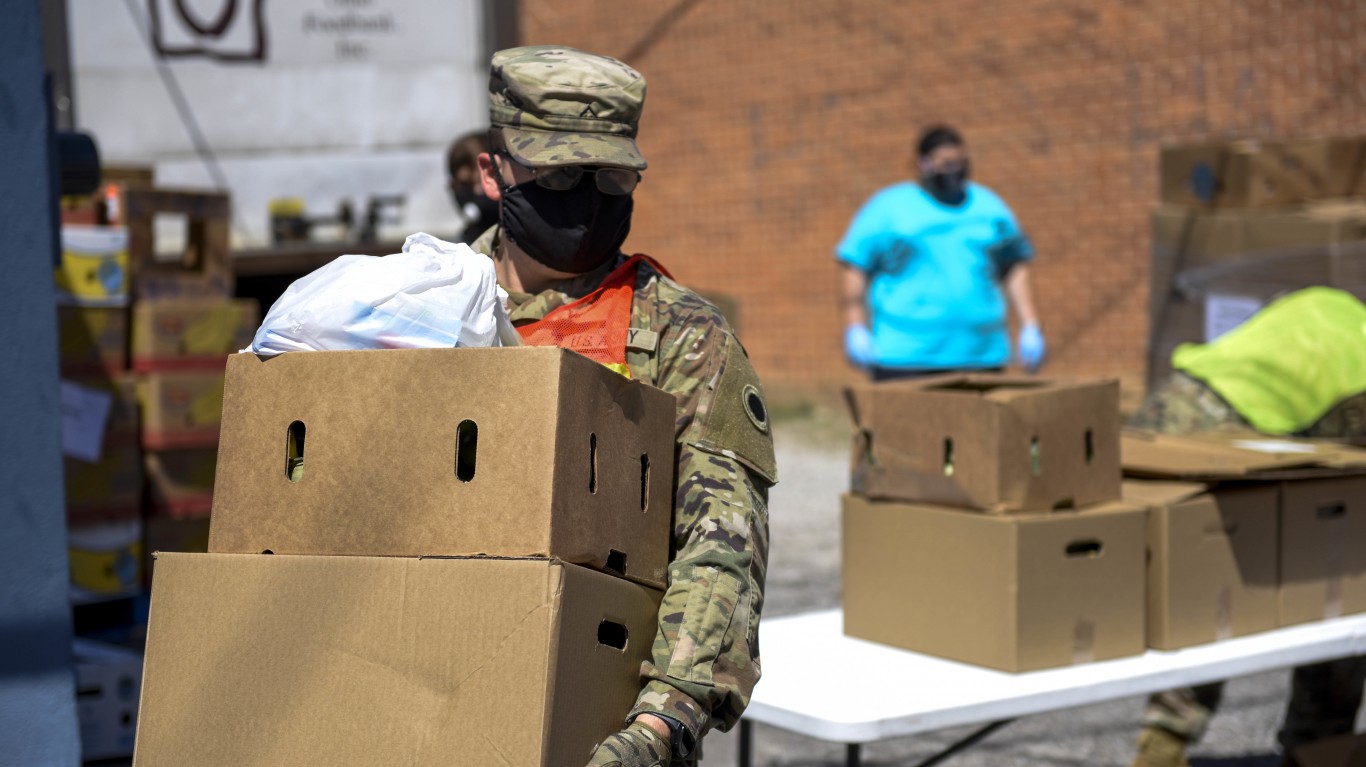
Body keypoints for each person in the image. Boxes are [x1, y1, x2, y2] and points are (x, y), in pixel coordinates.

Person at [469, 46, 776, 767]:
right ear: (493, 174)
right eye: (560, 175)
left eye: (609, 178)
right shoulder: (417, 307)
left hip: (602, 721)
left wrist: (660, 728)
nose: (585, 198)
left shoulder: (682, 335)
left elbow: (720, 547)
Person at [1129, 287, 1366, 767]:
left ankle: (1164, 744)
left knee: (1201, 599)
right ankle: (1317, 748)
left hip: (1170, 407)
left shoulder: (1332, 305)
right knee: (1339, 590)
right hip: (1229, 434)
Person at [837, 125, 1045, 380]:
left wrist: (1030, 325)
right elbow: (856, 266)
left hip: (980, 354)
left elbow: (1014, 265)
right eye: (945, 163)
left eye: (959, 163)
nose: (953, 171)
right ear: (922, 164)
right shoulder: (888, 208)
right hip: (906, 355)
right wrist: (855, 326)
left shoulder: (989, 207)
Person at [446, 130, 499, 244]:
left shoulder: (522, 247)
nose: (474, 191)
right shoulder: (457, 250)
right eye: (464, 185)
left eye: (481, 183)